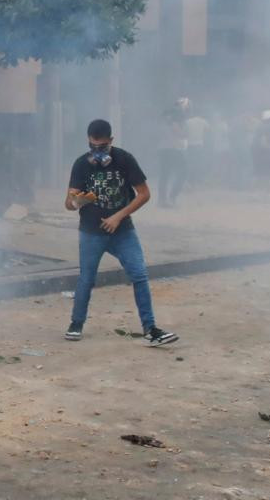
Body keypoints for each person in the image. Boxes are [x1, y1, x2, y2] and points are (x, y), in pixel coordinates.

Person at [64, 119, 177, 346]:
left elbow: (144, 194)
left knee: (139, 274)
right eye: (94, 147)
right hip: (91, 232)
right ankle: (76, 323)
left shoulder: (125, 159)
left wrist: (119, 216)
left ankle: (150, 328)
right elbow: (68, 203)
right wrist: (80, 200)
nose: (98, 152)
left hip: (123, 231)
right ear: (88, 141)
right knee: (86, 279)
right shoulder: (81, 165)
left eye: (103, 147)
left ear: (111, 141)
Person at [157, 100, 188, 207]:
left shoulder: (163, 123)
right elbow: (182, 134)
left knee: (164, 175)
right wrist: (183, 131)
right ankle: (171, 197)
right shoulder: (174, 123)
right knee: (182, 173)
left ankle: (162, 200)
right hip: (174, 150)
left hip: (163, 150)